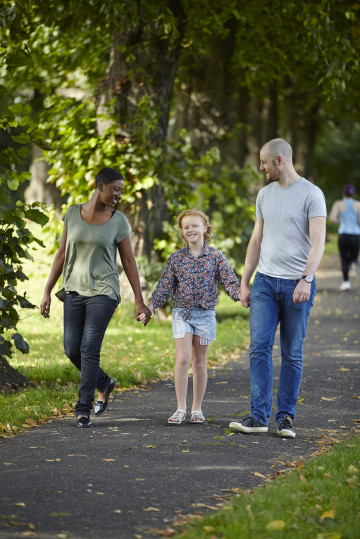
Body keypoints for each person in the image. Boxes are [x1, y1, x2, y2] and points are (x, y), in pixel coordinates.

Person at [229, 138, 327, 439]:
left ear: (280, 161)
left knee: (292, 353)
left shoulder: (312, 194)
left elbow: (319, 242)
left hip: (297, 283)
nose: (261, 167)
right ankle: (258, 417)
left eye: (264, 162)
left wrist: (306, 279)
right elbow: (256, 240)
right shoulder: (264, 195)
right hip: (265, 282)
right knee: (259, 348)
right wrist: (244, 281)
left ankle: (285, 418)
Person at [40, 168, 151, 428]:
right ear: (100, 185)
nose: (119, 196)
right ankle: (104, 382)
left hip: (104, 291)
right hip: (74, 291)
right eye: (116, 190)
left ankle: (83, 409)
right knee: (71, 349)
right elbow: (61, 255)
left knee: (89, 349)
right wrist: (47, 290)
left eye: (121, 191)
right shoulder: (72, 214)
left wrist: (139, 300)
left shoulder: (118, 220)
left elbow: (128, 261)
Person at [139, 210, 241, 425]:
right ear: (182, 233)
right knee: (183, 358)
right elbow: (164, 287)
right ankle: (180, 408)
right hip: (182, 313)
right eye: (186, 227)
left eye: (195, 225)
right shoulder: (177, 258)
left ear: (205, 228)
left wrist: (242, 296)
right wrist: (150, 307)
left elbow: (230, 282)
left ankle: (197, 409)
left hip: (205, 315)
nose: (190, 230)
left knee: (199, 361)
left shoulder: (216, 257)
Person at [329, 184, 360, 291]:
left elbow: (332, 218)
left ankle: (346, 282)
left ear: (343, 193)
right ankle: (354, 263)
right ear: (354, 194)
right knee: (354, 257)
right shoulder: (358, 204)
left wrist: (340, 221)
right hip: (355, 235)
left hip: (343, 234)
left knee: (344, 259)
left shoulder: (338, 204)